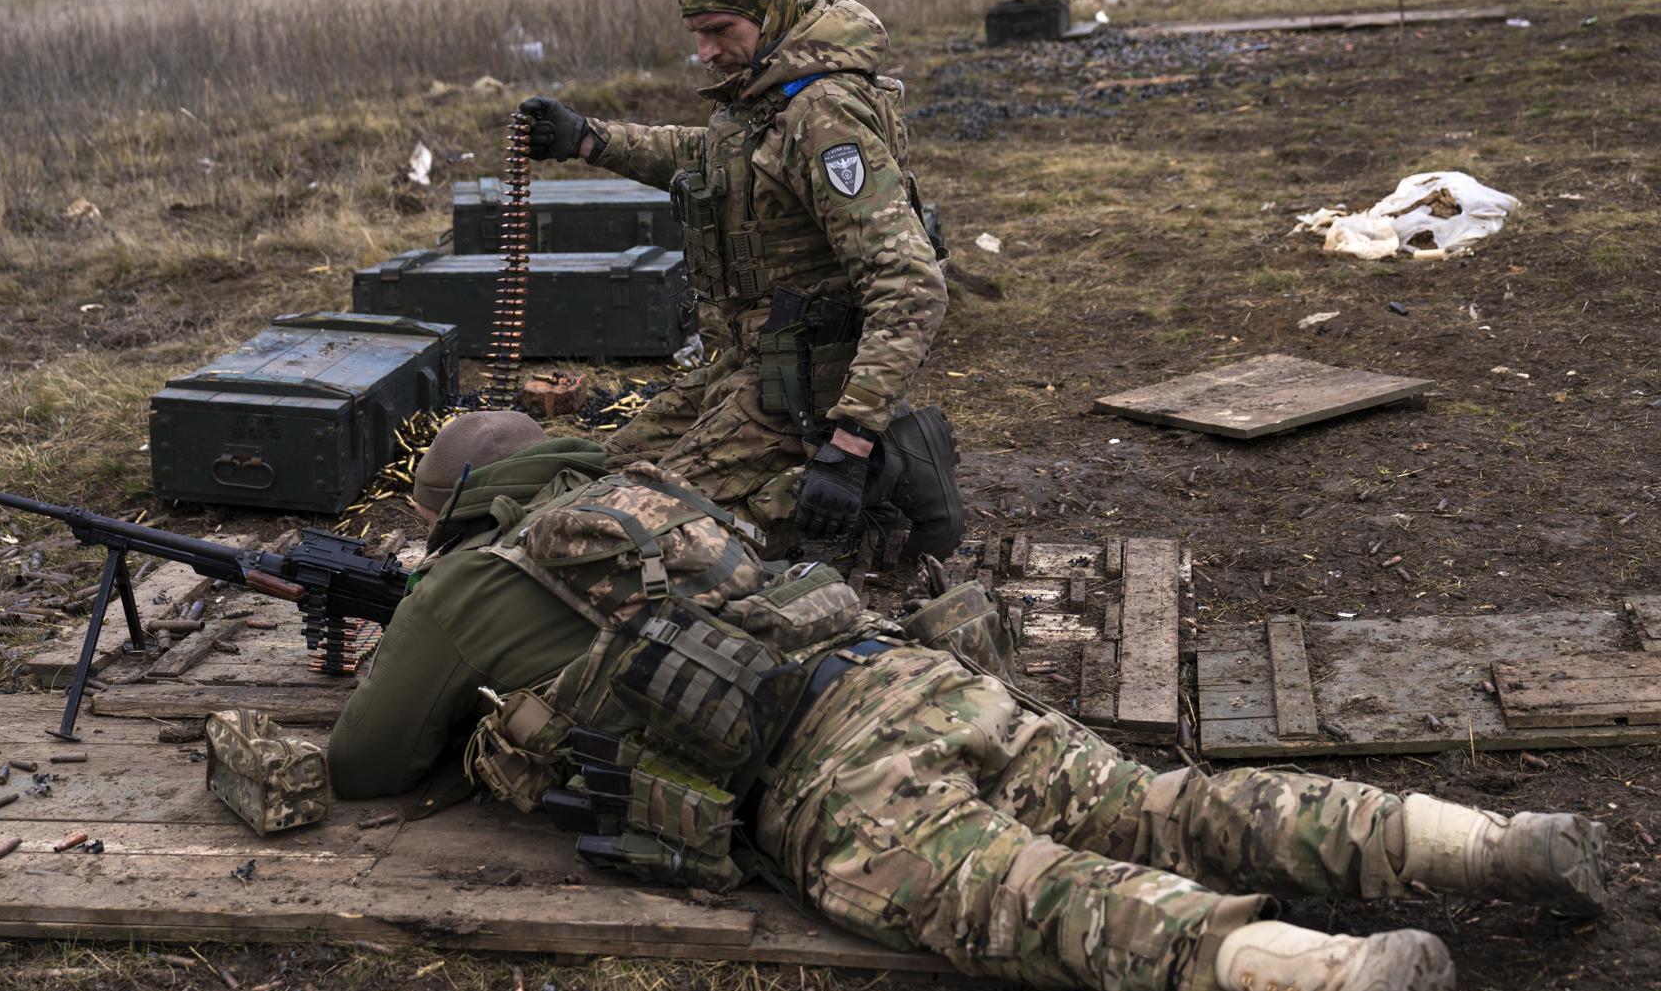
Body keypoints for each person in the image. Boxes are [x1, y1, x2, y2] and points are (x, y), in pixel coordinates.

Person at [331, 412, 1608, 991]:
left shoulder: (467, 580)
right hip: (920, 674)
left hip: (828, 774)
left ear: (453, 508)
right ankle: (1487, 843)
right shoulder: (656, 492)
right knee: (1170, 804)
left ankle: (1329, 973)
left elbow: (365, 764)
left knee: (1039, 896)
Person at [517, 0, 949, 551]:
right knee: (606, 472)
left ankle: (882, 471)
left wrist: (850, 444)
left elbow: (911, 285)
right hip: (749, 366)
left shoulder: (821, 115)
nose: (705, 51)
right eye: (697, 31)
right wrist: (589, 138)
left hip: (808, 392)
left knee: (636, 531)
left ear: (768, 12)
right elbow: (715, 156)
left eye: (721, 30)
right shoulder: (768, 96)